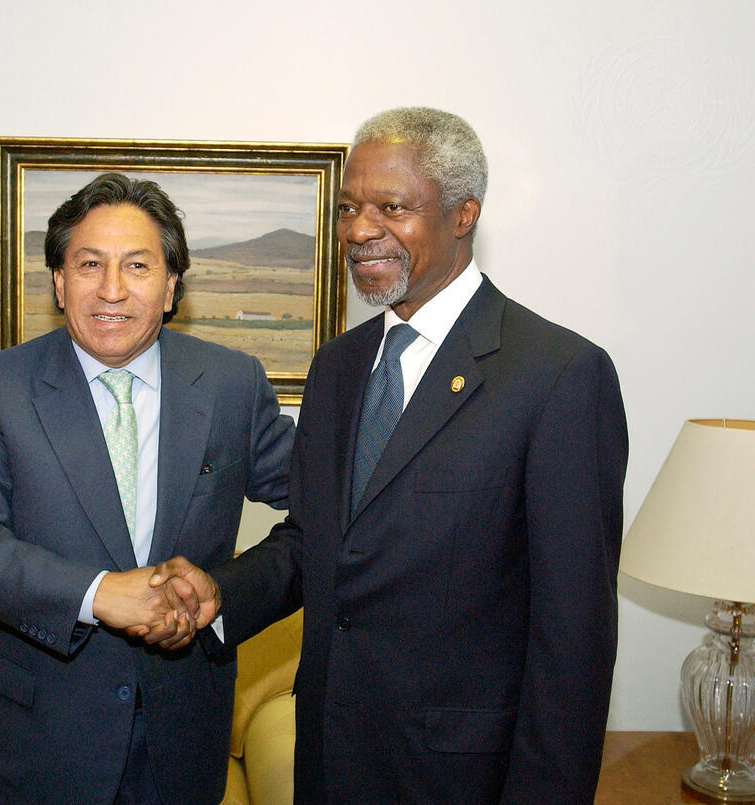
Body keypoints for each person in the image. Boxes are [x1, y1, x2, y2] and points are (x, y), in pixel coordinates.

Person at [156, 107, 629, 803]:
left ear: (463, 214)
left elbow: (574, 639)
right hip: (329, 757)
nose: (357, 229)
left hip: (460, 776)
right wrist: (222, 593)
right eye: (349, 207)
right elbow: (315, 543)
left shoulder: (557, 375)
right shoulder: (338, 367)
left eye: (391, 207)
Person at [0, 172, 294, 804]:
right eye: (90, 264)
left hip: (184, 740)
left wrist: (223, 593)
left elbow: (327, 513)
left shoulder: (232, 385)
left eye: (138, 266)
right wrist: (98, 595)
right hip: (41, 745)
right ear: (59, 281)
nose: (112, 289)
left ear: (171, 286)